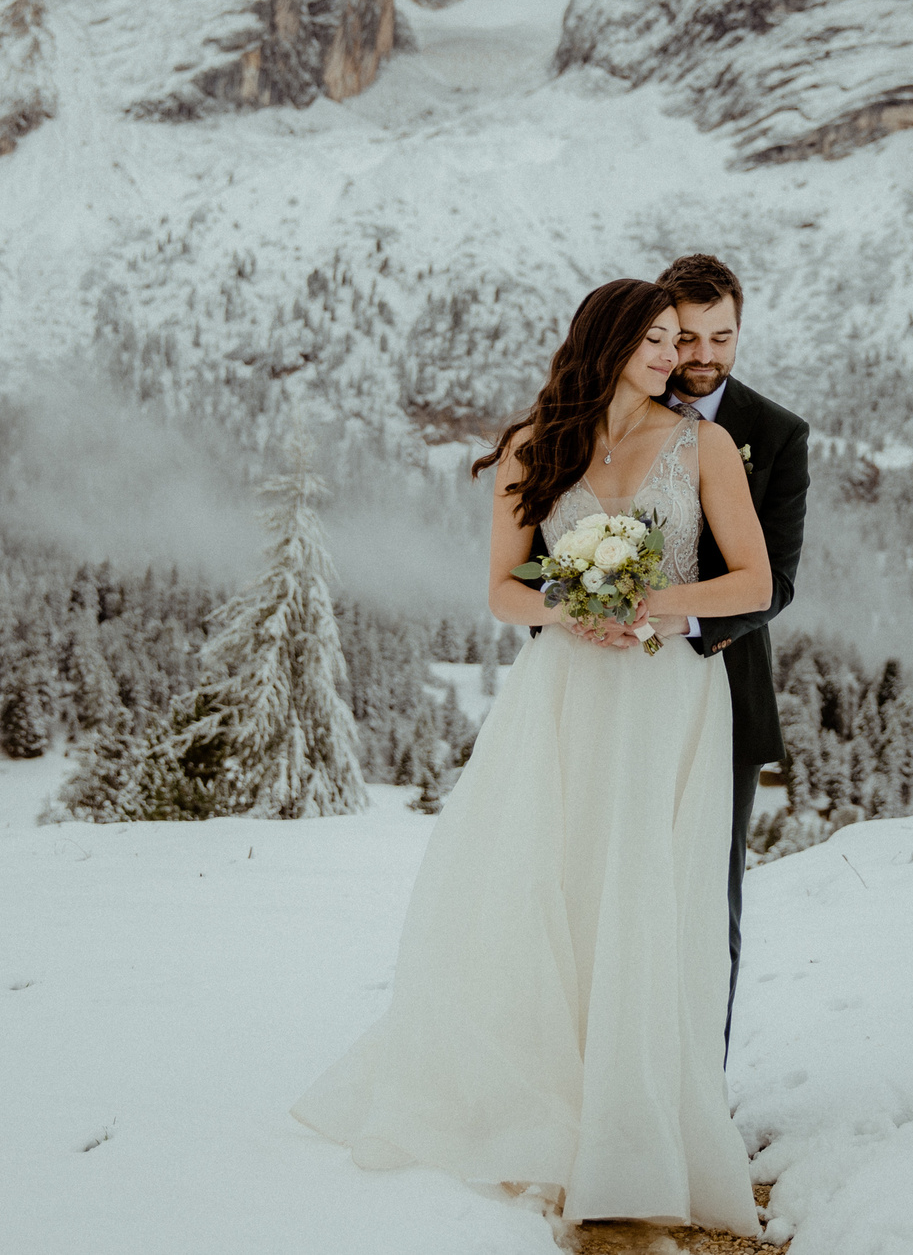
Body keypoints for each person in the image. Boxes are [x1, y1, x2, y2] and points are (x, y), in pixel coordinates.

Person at [291, 278, 771, 1236]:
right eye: (656, 337)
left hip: (669, 696)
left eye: (682, 341)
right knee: (550, 883)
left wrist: (656, 604)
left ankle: (638, 1119)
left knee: (643, 891)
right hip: (566, 692)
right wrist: (575, 605)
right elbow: (505, 593)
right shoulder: (533, 448)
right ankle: (548, 1100)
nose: (673, 355)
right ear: (608, 338)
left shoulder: (705, 446)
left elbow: (754, 579)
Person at [652, 254, 809, 1059]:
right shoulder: (619, 412)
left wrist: (676, 621)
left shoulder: (776, 433)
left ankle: (698, 1093)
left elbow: (775, 583)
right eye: (687, 336)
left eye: (723, 334)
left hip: (724, 681)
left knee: (712, 900)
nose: (705, 353)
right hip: (613, 687)